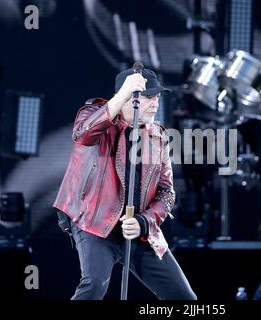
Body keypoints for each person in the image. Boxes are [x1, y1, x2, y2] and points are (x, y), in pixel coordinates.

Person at [53, 66, 197, 300]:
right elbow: (83, 134)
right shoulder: (95, 114)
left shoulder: (158, 137)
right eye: (149, 98)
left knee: (184, 298)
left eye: (157, 98)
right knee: (94, 284)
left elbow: (167, 193)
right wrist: (122, 94)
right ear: (129, 98)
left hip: (136, 229)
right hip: (95, 223)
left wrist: (144, 221)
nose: (155, 104)